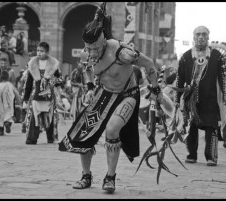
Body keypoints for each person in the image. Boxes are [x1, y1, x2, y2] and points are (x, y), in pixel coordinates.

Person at [58, 3, 162, 193]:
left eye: (94, 49)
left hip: (127, 94)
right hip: (104, 93)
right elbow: (87, 70)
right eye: (88, 48)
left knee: (112, 130)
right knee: (85, 131)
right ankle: (86, 175)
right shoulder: (87, 53)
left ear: (103, 42)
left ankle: (110, 177)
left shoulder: (122, 52)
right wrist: (90, 88)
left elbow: (148, 64)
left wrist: (155, 88)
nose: (91, 53)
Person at [174, 26, 226, 166]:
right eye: (198, 34)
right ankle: (191, 154)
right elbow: (179, 79)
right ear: (193, 37)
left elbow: (224, 78)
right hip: (190, 101)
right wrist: (176, 100)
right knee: (190, 128)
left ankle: (211, 157)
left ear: (208, 37)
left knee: (212, 128)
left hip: (210, 100)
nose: (201, 37)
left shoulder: (217, 56)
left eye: (204, 34)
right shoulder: (186, 57)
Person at [23, 42, 61, 144]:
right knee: (34, 116)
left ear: (47, 52)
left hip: (49, 95)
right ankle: (32, 138)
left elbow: (59, 80)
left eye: (42, 51)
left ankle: (51, 137)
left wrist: (54, 82)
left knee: (49, 116)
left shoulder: (54, 65)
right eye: (38, 51)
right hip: (36, 95)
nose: (39, 53)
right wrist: (25, 99)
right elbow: (29, 83)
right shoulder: (32, 65)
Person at [0, 70, 21, 136]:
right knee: (8, 116)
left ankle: (1, 131)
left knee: (0, 117)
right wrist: (19, 101)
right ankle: (7, 123)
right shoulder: (10, 85)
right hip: (8, 103)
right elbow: (16, 93)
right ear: (8, 77)